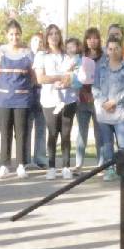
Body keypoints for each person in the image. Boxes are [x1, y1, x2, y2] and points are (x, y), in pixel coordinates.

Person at [0, 20, 34, 179]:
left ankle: (21, 164)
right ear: (6, 35)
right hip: (3, 99)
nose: (14, 37)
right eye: (11, 34)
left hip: (22, 99)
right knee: (5, 133)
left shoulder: (28, 53)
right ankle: (4, 165)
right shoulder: (0, 51)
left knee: (22, 133)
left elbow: (32, 75)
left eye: (17, 34)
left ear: (21, 35)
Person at [35, 24, 77, 180]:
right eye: (50, 34)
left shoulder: (68, 55)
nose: (54, 36)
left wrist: (69, 80)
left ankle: (66, 166)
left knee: (66, 134)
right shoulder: (41, 56)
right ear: (46, 37)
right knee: (52, 133)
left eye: (56, 33)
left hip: (68, 99)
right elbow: (41, 78)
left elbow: (74, 76)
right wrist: (60, 77)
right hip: (50, 101)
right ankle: (51, 166)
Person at [93, 36, 124, 182]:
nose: (113, 51)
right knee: (106, 142)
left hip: (120, 111)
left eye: (116, 48)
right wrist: (104, 102)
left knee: (123, 143)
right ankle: (109, 169)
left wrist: (114, 102)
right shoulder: (101, 67)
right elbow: (95, 87)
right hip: (103, 112)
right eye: (110, 48)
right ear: (106, 50)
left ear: (121, 49)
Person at [74, 27, 102, 170]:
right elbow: (75, 77)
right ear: (86, 40)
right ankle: (79, 163)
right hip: (82, 100)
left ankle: (101, 164)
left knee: (99, 133)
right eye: (89, 38)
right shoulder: (80, 57)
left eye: (95, 37)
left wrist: (96, 94)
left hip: (98, 101)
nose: (92, 41)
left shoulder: (104, 57)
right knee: (81, 132)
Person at [25, 33, 47, 169]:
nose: (37, 43)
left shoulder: (45, 57)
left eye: (40, 41)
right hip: (27, 96)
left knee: (41, 129)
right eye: (35, 40)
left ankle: (40, 158)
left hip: (42, 96)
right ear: (30, 42)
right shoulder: (25, 56)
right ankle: (25, 159)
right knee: (26, 129)